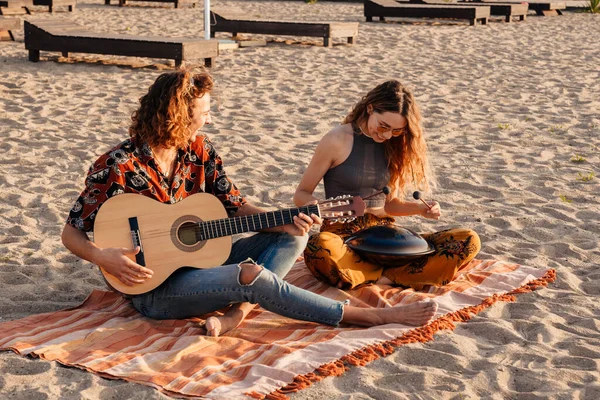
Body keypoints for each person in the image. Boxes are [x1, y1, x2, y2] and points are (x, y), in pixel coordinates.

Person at [61, 69, 438, 338]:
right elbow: (72, 232)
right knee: (249, 276)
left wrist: (283, 221)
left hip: (201, 264)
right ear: (178, 114)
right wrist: (101, 256)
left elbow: (236, 208)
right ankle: (365, 318)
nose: (211, 116)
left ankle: (237, 312)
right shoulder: (118, 165)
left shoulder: (200, 150)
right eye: (204, 110)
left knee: (293, 236)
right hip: (153, 289)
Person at [294, 80, 481, 291]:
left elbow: (390, 206)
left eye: (396, 130)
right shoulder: (337, 139)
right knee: (319, 246)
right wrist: (320, 208)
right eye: (383, 126)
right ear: (370, 108)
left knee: (468, 240)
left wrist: (421, 209)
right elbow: (301, 193)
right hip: (344, 239)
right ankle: (397, 276)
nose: (386, 135)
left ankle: (376, 276)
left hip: (386, 237)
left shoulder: (394, 145)